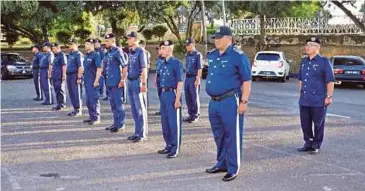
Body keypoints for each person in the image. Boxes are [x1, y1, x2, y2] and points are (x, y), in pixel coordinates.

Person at [205, 26, 252, 182]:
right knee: (219, 135)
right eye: (215, 38)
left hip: (230, 100)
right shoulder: (212, 55)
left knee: (232, 135)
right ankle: (222, 163)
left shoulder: (238, 56)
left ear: (229, 39)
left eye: (219, 38)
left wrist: (244, 101)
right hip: (214, 102)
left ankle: (233, 167)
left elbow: (246, 80)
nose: (216, 41)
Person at [297, 37, 335, 155]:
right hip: (304, 99)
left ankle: (316, 144)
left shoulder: (324, 61)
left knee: (318, 123)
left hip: (318, 99)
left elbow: (330, 80)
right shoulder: (304, 61)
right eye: (306, 44)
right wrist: (300, 93)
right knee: (305, 123)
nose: (307, 47)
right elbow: (301, 79)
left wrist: (329, 96)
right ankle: (308, 143)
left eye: (310, 45)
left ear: (317, 48)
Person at [156, 40, 184, 159]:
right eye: (161, 48)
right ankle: (168, 144)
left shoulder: (176, 63)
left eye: (163, 48)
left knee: (174, 123)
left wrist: (177, 99)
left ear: (170, 49)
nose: (161, 50)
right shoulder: (161, 63)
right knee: (165, 122)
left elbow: (180, 82)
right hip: (163, 94)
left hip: (172, 94)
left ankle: (175, 147)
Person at [126, 32, 148, 143]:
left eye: (130, 38)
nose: (128, 40)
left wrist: (144, 84)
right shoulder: (131, 52)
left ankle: (142, 134)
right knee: (134, 109)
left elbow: (144, 69)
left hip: (137, 82)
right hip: (130, 81)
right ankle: (137, 132)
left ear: (135, 39)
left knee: (140, 109)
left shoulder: (141, 52)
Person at [103, 33, 128, 132]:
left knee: (118, 104)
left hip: (117, 82)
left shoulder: (117, 51)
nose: (106, 43)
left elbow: (124, 66)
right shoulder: (107, 53)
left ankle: (121, 124)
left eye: (107, 41)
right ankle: (115, 123)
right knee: (113, 104)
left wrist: (122, 80)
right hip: (109, 82)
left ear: (113, 41)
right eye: (105, 41)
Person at [82, 38, 102, 125]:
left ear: (91, 45)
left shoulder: (96, 55)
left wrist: (97, 80)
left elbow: (99, 68)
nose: (85, 45)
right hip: (87, 81)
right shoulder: (87, 56)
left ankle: (96, 118)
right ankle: (91, 117)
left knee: (94, 100)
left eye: (87, 44)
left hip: (93, 81)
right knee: (88, 101)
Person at [183, 38, 203, 123]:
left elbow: (199, 68)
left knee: (194, 97)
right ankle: (190, 114)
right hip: (187, 78)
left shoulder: (198, 55)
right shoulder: (187, 55)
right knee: (188, 97)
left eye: (189, 45)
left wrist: (197, 79)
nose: (187, 47)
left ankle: (195, 115)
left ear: (193, 45)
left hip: (194, 78)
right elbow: (186, 67)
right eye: (186, 45)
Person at [66, 39, 84, 117]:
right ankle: (75, 108)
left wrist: (79, 77)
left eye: (71, 44)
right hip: (69, 75)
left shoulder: (78, 54)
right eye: (69, 44)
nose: (69, 46)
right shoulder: (70, 54)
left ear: (76, 45)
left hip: (75, 75)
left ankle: (78, 110)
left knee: (76, 93)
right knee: (72, 93)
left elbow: (80, 67)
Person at [50, 43, 67, 111]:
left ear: (58, 48)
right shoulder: (56, 56)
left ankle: (62, 104)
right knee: (57, 90)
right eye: (52, 48)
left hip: (60, 76)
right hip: (55, 76)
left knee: (61, 90)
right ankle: (58, 104)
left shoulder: (62, 55)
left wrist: (64, 75)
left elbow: (64, 65)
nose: (53, 50)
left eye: (54, 48)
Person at [140, 40, 151, 107]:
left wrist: (146, 73)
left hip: (144, 73)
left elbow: (148, 64)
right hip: (140, 74)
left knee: (144, 89)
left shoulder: (146, 53)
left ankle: (145, 104)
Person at [154, 43, 164, 116]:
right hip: (158, 78)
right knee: (160, 95)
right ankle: (162, 109)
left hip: (164, 78)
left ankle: (165, 109)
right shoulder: (158, 58)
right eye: (158, 49)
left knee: (164, 95)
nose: (158, 51)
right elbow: (157, 70)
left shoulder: (166, 58)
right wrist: (155, 79)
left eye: (159, 49)